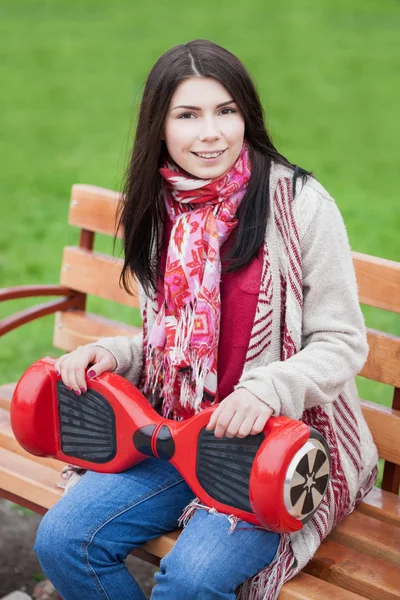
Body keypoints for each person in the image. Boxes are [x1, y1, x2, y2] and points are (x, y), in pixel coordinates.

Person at [34, 39, 378, 600]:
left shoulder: (302, 205)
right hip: (176, 432)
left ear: (247, 116)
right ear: (160, 127)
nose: (210, 133)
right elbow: (174, 344)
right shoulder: (159, 208)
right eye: (188, 115)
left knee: (191, 581)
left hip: (274, 447)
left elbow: (341, 341)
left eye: (226, 111)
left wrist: (270, 389)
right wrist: (118, 356)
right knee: (64, 540)